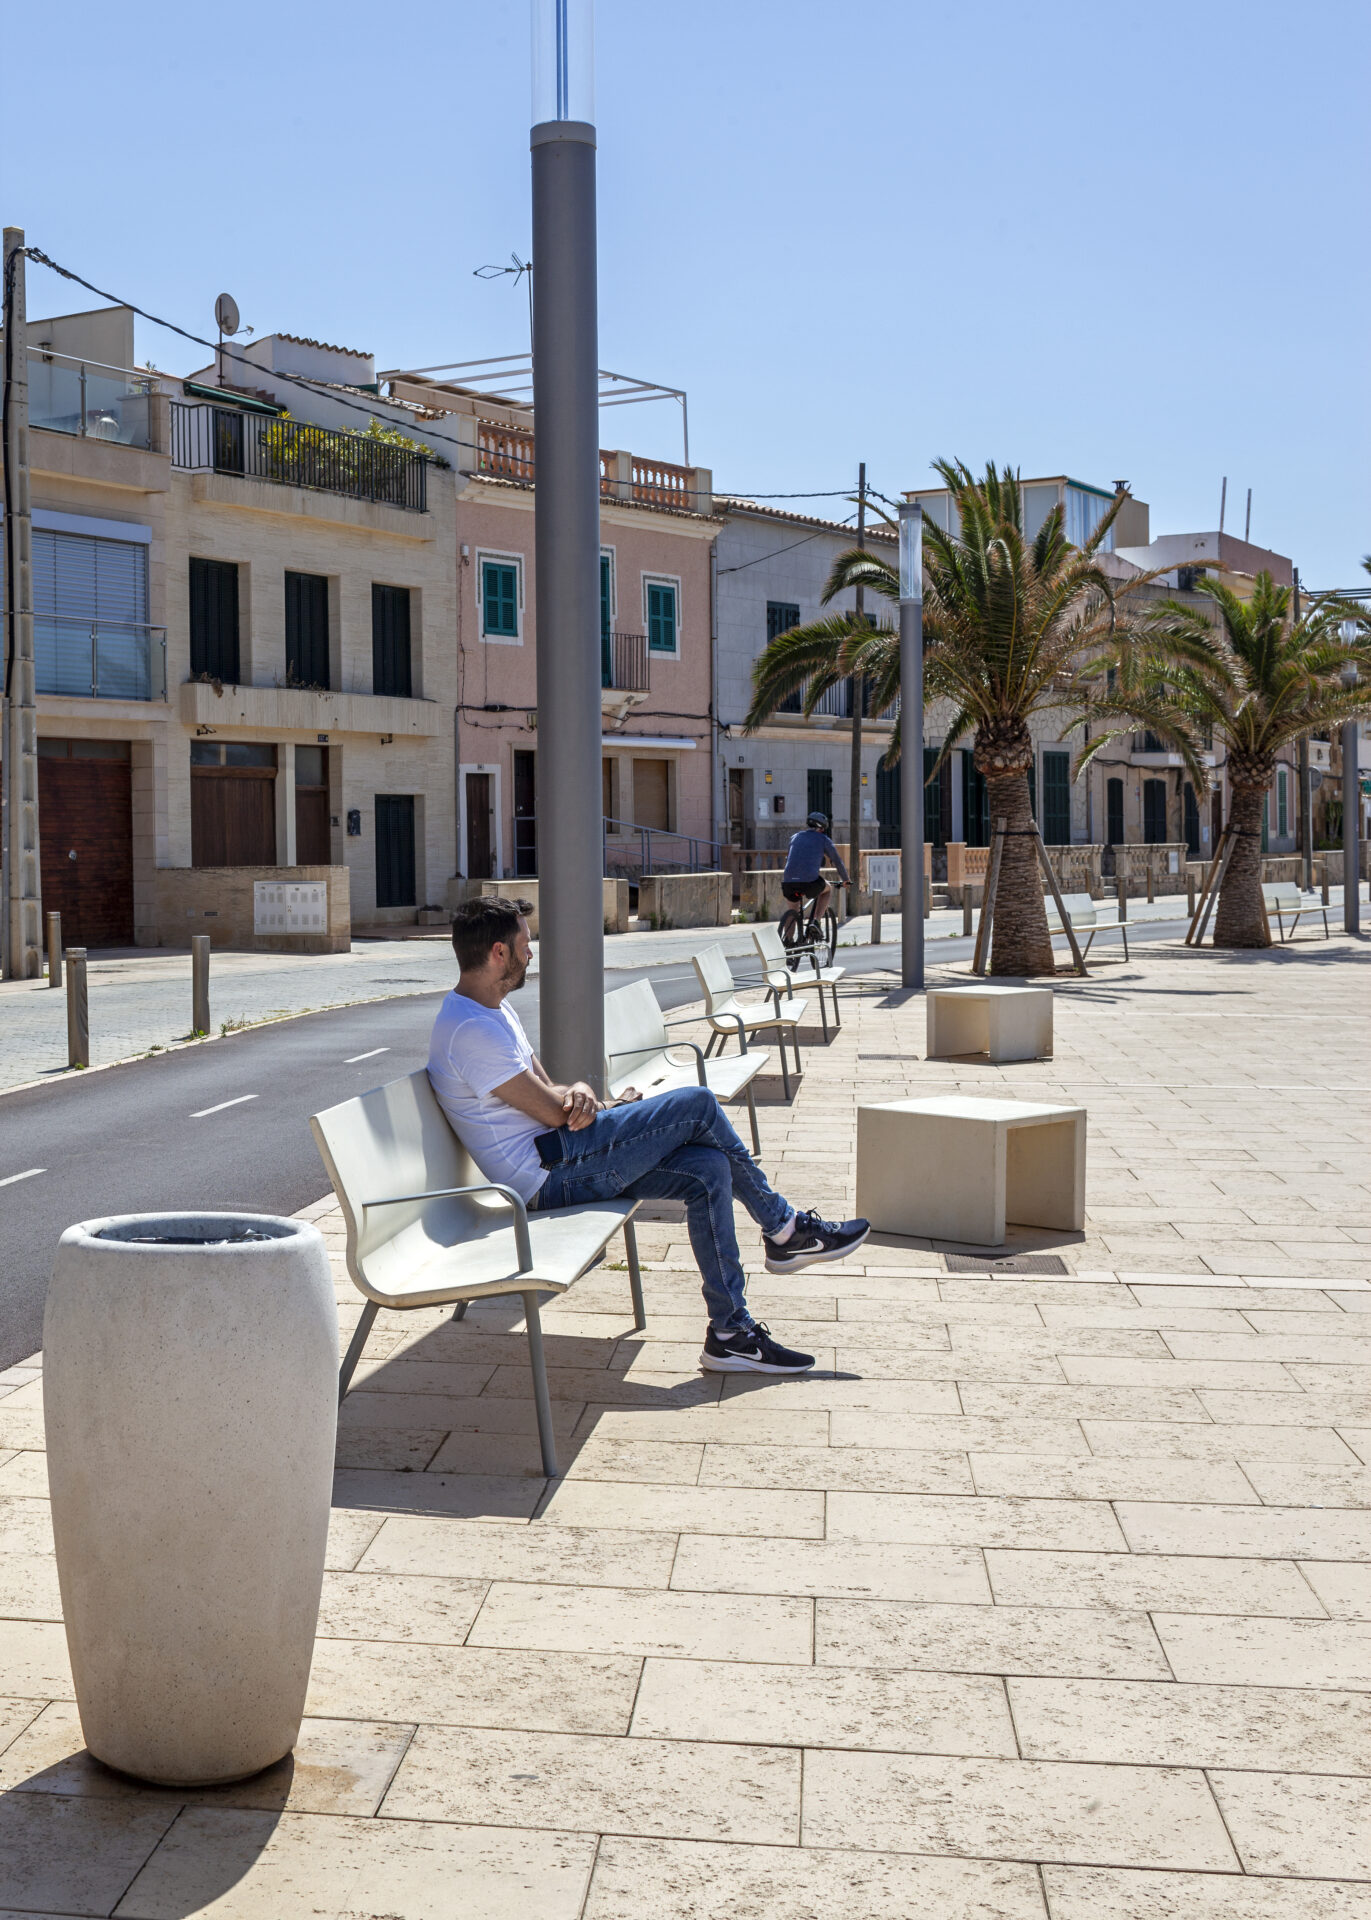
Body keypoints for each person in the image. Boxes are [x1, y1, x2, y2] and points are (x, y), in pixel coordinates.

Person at [427, 896, 869, 1375]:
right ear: (499, 953)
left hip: (563, 1154)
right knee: (698, 1103)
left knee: (708, 1170)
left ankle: (730, 1335)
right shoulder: (470, 1029)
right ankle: (783, 1228)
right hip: (546, 1177)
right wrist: (581, 1102)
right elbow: (553, 1112)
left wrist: (586, 1094)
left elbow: (550, 1091)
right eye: (525, 945)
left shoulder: (493, 1011)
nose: (531, 954)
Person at [781, 810, 851, 927]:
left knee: (793, 912)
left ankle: (787, 938)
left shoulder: (795, 837)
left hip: (788, 883)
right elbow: (837, 861)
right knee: (827, 889)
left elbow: (790, 858)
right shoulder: (823, 839)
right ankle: (816, 921)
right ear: (822, 828)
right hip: (810, 882)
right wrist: (846, 879)